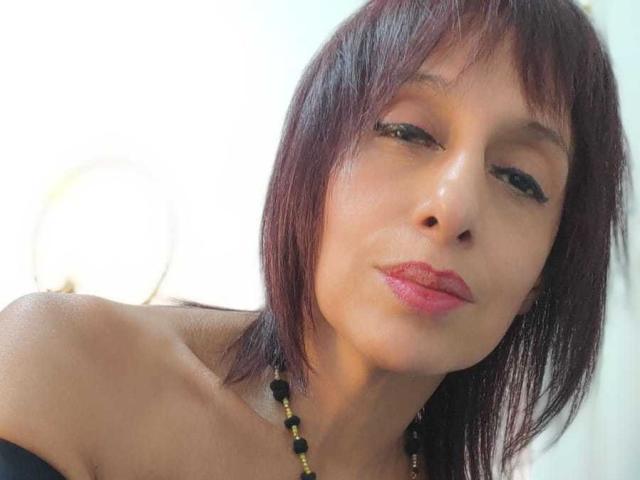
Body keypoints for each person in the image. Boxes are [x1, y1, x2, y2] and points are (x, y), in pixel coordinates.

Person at [0, 0, 632, 479]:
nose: (453, 206)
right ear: (313, 163)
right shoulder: (64, 368)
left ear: (542, 276)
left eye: (520, 178)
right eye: (408, 132)